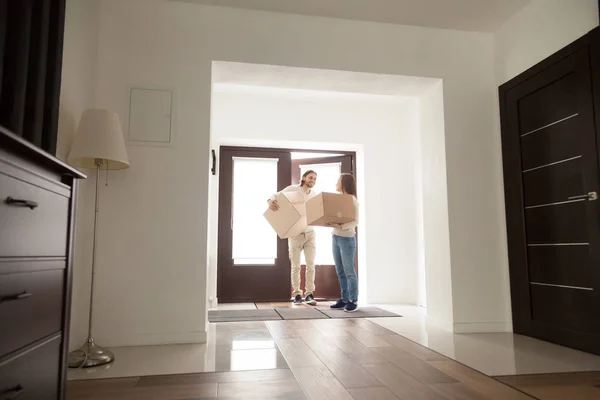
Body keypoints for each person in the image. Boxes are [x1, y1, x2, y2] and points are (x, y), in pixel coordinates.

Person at [268, 170, 318, 305]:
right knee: (295, 266)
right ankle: (297, 294)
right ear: (304, 178)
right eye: (310, 178)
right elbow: (275, 195)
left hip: (310, 234)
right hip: (295, 235)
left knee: (310, 265)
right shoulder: (293, 189)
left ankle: (309, 294)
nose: (312, 181)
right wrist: (270, 201)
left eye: (314, 179)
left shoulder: (314, 195)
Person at [329, 173, 359, 312]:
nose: (335, 183)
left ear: (344, 183)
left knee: (349, 271)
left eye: (338, 181)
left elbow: (355, 221)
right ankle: (344, 298)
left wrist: (340, 226)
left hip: (347, 238)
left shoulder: (352, 200)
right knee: (340, 271)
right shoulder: (338, 200)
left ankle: (353, 299)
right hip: (335, 236)